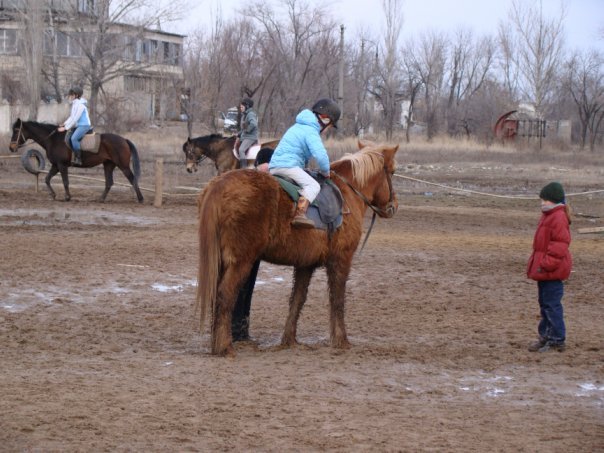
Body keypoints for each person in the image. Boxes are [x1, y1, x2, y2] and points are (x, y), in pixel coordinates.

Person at [268, 98, 340, 228]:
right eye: (329, 126)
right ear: (325, 119)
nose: (328, 129)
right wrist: (326, 172)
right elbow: (321, 156)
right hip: (287, 166)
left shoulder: (298, 126)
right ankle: (300, 214)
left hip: (275, 166)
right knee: (313, 186)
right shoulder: (311, 131)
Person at [526, 181, 572, 353]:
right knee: (545, 305)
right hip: (545, 271)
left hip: (552, 271)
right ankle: (545, 336)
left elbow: (560, 245)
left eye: (546, 200)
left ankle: (557, 339)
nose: (542, 202)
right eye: (542, 199)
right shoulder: (549, 215)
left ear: (554, 200)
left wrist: (545, 265)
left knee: (552, 306)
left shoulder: (558, 217)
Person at [57, 86, 91, 166]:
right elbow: (71, 117)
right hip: (79, 125)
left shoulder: (81, 105)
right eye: (70, 94)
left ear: (77, 95)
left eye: (72, 95)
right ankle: (72, 155)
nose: (70, 96)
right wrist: (64, 123)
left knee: (74, 138)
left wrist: (65, 128)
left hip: (84, 125)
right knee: (68, 138)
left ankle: (79, 159)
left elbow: (75, 118)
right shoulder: (75, 104)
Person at [235, 98, 258, 169]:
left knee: (241, 150)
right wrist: (238, 134)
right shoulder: (244, 115)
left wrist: (247, 130)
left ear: (247, 106)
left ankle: (243, 168)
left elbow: (253, 124)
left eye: (242, 107)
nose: (240, 108)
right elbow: (243, 129)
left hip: (250, 137)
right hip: (245, 136)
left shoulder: (250, 114)